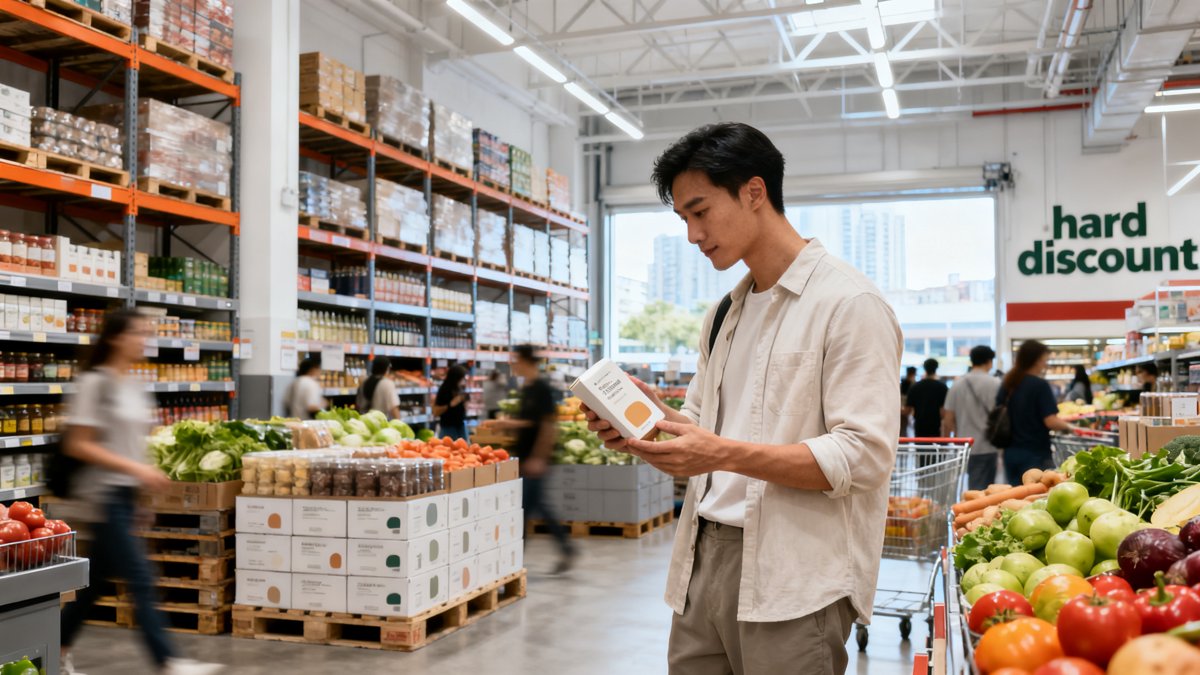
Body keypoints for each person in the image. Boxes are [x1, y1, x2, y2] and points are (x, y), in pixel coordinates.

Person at [583, 123, 901, 674]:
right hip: (702, 561)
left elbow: (863, 457)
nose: (692, 234)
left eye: (700, 211)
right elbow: (706, 424)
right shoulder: (724, 313)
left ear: (755, 192)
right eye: (683, 218)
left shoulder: (849, 305)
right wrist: (650, 424)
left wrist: (721, 453)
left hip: (793, 579)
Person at [59, 310, 223, 675]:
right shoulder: (94, 384)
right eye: (138, 332)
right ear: (116, 337)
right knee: (140, 576)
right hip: (102, 495)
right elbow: (78, 444)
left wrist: (142, 496)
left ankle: (54, 646)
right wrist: (135, 470)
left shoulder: (133, 385)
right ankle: (167, 661)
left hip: (125, 496)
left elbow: (135, 445)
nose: (145, 339)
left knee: (95, 584)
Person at [490, 345, 575, 573]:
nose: (512, 363)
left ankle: (514, 564)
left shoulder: (541, 388)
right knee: (538, 507)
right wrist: (507, 425)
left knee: (523, 509)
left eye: (515, 359)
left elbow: (547, 425)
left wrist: (539, 457)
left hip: (535, 459)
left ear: (527, 360)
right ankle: (566, 548)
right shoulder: (526, 387)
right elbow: (529, 421)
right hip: (525, 456)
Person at [996, 340, 1074, 482]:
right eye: (1045, 359)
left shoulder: (1008, 383)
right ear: (1037, 360)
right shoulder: (1040, 386)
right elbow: (1050, 421)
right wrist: (1069, 427)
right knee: (1036, 497)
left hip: (1010, 453)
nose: (1046, 364)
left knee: (1015, 497)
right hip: (1035, 453)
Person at [943, 346, 1002, 490]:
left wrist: (950, 441)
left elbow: (948, 419)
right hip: (990, 444)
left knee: (974, 486)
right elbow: (1002, 414)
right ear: (989, 361)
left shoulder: (957, 385)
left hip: (965, 445)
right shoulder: (996, 383)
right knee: (988, 488)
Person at [906, 358, 948, 439]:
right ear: (936, 368)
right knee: (935, 449)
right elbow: (943, 412)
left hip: (919, 426)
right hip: (935, 426)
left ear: (924, 368)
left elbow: (908, 409)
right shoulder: (942, 387)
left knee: (920, 449)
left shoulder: (915, 387)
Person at [434, 365, 470, 441]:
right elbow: (436, 411)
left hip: (460, 425)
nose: (463, 380)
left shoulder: (459, 387)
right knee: (448, 449)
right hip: (448, 427)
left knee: (464, 449)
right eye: (462, 378)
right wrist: (450, 404)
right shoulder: (445, 389)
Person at [900, 366, 917, 435]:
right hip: (909, 408)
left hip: (901, 408)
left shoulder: (902, 382)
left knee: (903, 428)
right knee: (906, 428)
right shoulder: (914, 384)